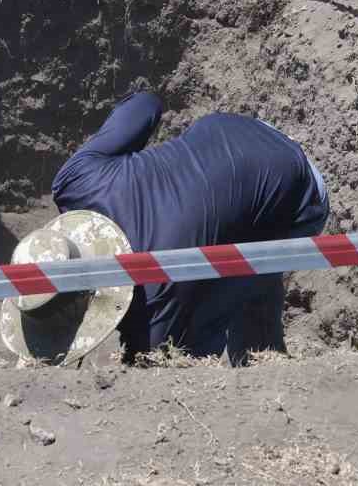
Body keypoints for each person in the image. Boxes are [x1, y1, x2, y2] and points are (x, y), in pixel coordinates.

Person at [49, 91, 330, 366]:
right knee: (227, 237)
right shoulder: (75, 181)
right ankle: (261, 355)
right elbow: (145, 102)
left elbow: (154, 364)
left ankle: (260, 370)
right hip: (241, 128)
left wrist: (136, 345)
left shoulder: (152, 299)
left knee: (209, 317)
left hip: (301, 194)